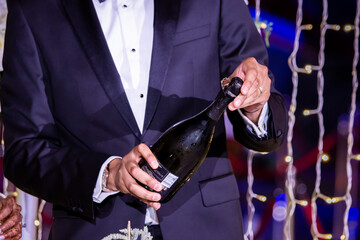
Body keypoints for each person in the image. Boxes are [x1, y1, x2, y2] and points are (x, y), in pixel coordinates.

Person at [1, 0, 287, 239]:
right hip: (94, 230)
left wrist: (254, 105)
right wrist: (106, 175)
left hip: (207, 227)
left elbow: (264, 118)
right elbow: (24, 150)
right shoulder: (34, 11)